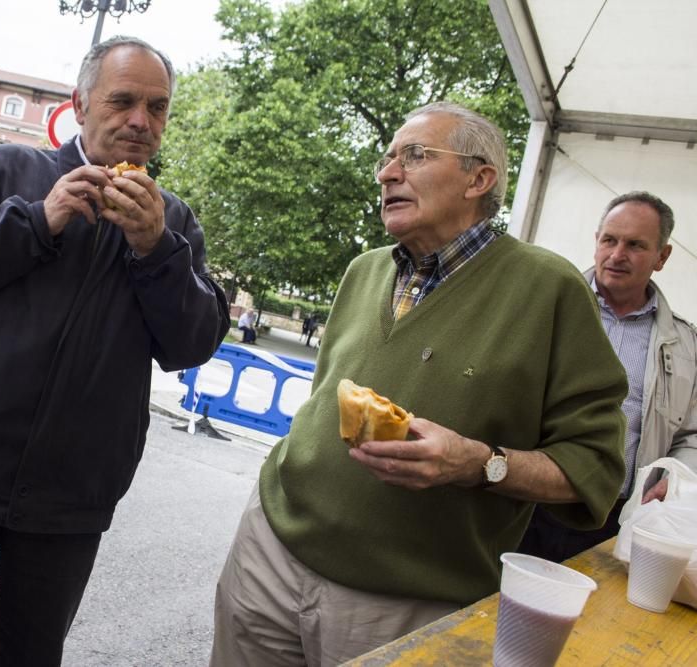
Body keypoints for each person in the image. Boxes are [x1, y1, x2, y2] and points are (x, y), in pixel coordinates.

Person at [209, 102, 628, 666]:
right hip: (269, 552)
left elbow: (594, 468)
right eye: (386, 159)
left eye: (414, 155)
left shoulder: (549, 288)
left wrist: (479, 463)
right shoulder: (365, 269)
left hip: (406, 604)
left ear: (479, 179)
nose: (386, 173)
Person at [0, 35, 229, 666]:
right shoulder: (4, 171)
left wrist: (157, 251)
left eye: (157, 108)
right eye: (123, 100)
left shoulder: (174, 222)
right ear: (80, 104)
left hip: (69, 503)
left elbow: (191, 345)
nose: (140, 120)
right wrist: (35, 220)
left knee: (30, 657)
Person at [520, 191, 697, 562]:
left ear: (662, 257)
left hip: (614, 519)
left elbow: (693, 434)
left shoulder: (686, 345)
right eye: (609, 240)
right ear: (596, 240)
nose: (617, 255)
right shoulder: (540, 306)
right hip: (525, 502)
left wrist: (677, 479)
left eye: (635, 245)